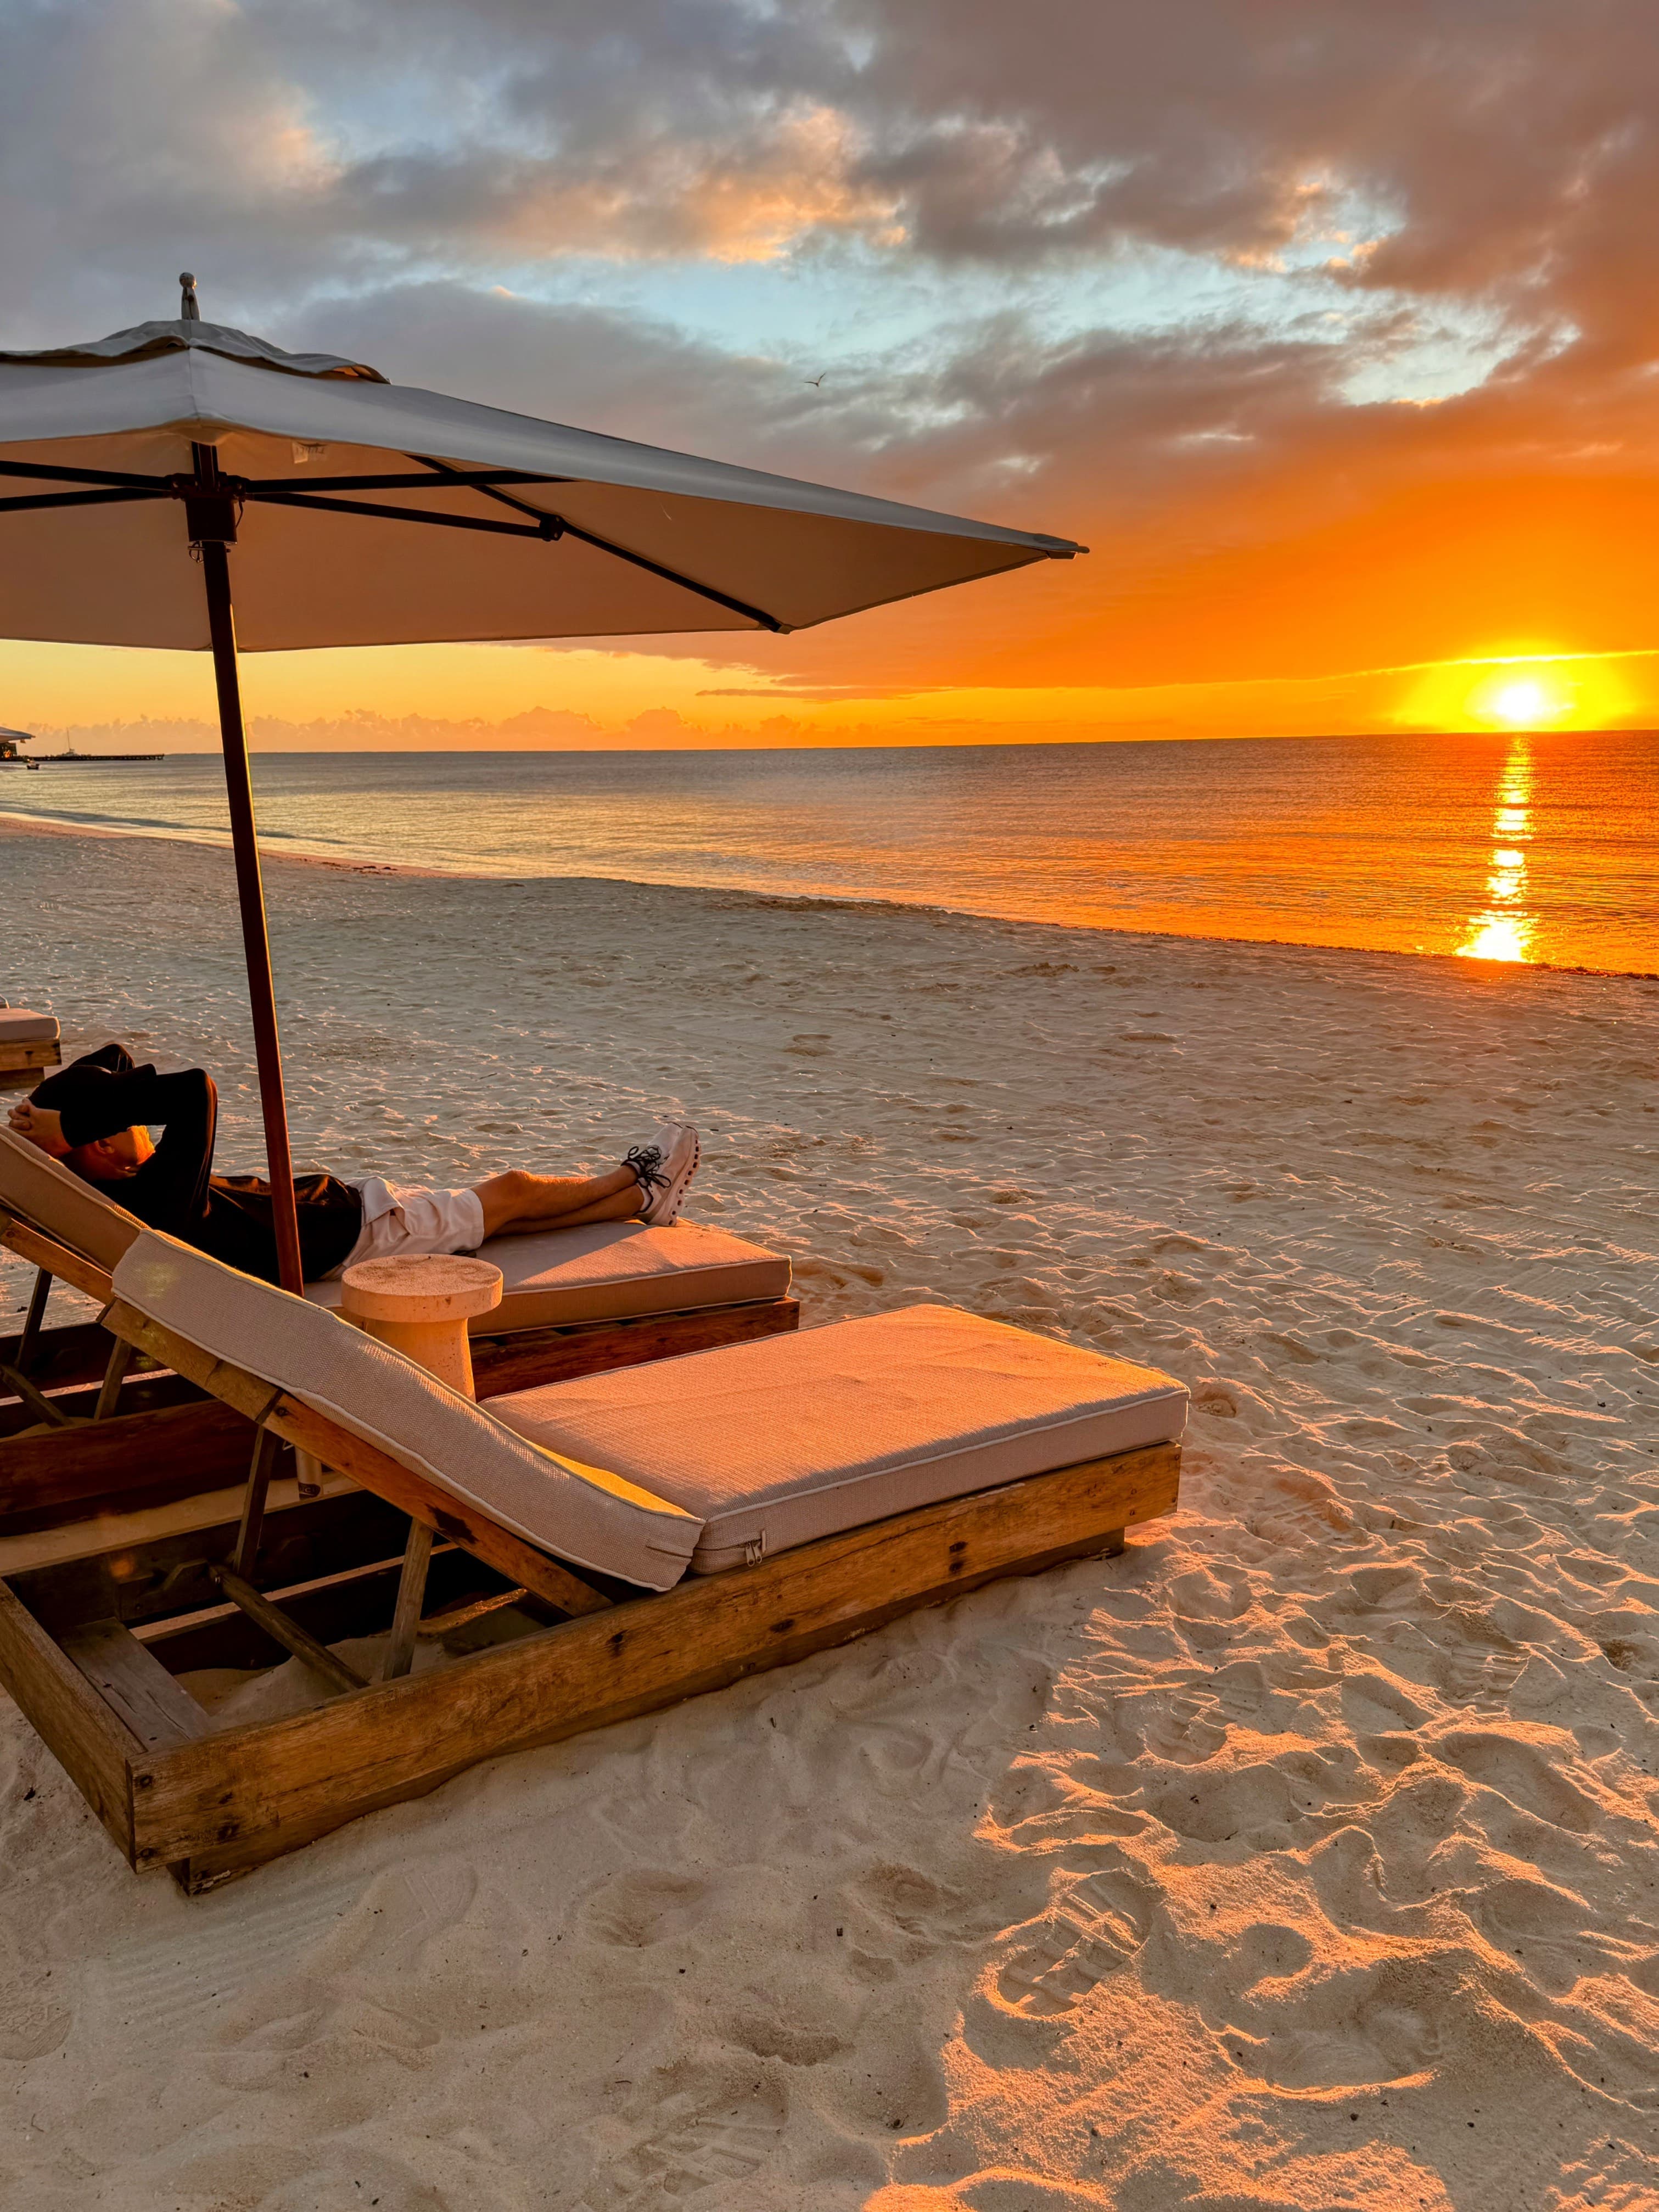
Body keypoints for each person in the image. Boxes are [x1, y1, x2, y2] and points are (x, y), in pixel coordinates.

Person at [7, 1043, 699, 1286]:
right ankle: (634, 1177)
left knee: (489, 1224)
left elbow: (117, 1059)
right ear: (100, 1145)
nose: (138, 1123)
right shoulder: (162, 1195)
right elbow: (195, 1090)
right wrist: (68, 1122)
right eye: (121, 1124)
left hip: (345, 1222)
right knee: (511, 1192)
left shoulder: (133, 1193)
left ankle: (639, 1204)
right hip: (358, 1234)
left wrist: (58, 1119)